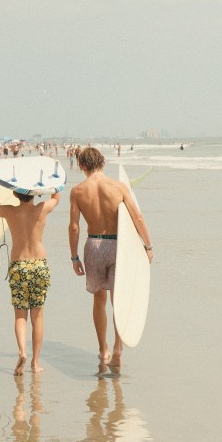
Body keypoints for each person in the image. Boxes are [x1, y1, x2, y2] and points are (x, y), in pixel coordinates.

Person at [68, 147, 153, 367]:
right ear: (102, 163)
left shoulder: (78, 191)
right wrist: (148, 245)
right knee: (120, 300)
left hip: (93, 245)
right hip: (119, 246)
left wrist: (74, 256)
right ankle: (118, 347)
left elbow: (74, 227)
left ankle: (102, 350)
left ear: (83, 166)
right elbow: (138, 218)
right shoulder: (119, 187)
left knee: (99, 299)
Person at [0, 173, 60, 375]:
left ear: (15, 194)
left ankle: (22, 351)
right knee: (37, 315)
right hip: (39, 264)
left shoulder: (9, 212)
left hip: (19, 265)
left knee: (20, 315)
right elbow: (57, 196)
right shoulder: (42, 209)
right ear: (34, 194)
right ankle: (36, 362)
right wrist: (47, 181)